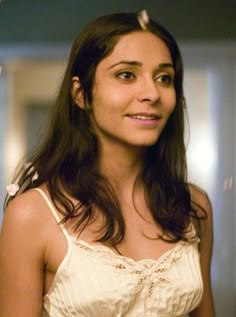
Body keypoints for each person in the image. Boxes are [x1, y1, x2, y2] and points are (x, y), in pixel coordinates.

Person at [0, 10, 215, 317]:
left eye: (164, 78)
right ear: (81, 94)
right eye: (126, 75)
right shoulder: (31, 215)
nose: (152, 93)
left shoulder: (193, 208)